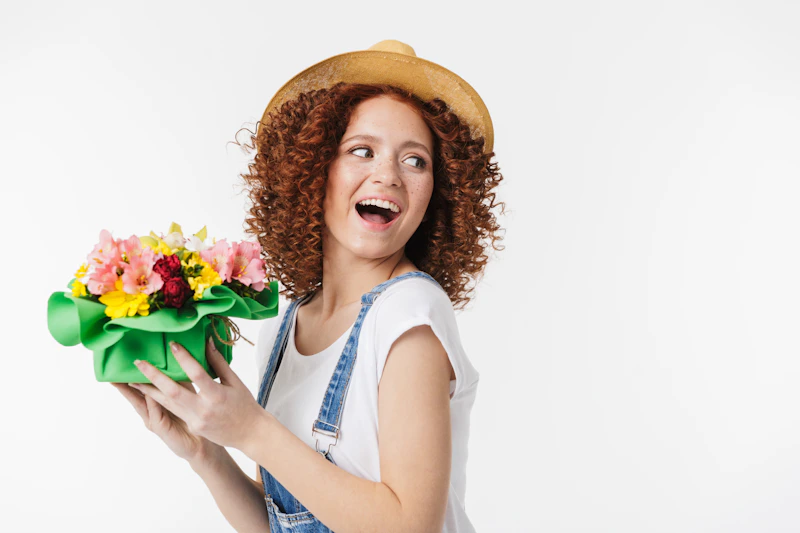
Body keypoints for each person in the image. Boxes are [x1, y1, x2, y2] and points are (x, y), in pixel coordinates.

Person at [111, 39, 505, 533]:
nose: (388, 174)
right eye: (362, 150)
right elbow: (280, 522)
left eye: (415, 161)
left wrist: (252, 429)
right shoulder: (287, 325)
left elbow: (411, 526)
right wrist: (206, 452)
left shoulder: (409, 315)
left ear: (438, 193)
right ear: (316, 170)